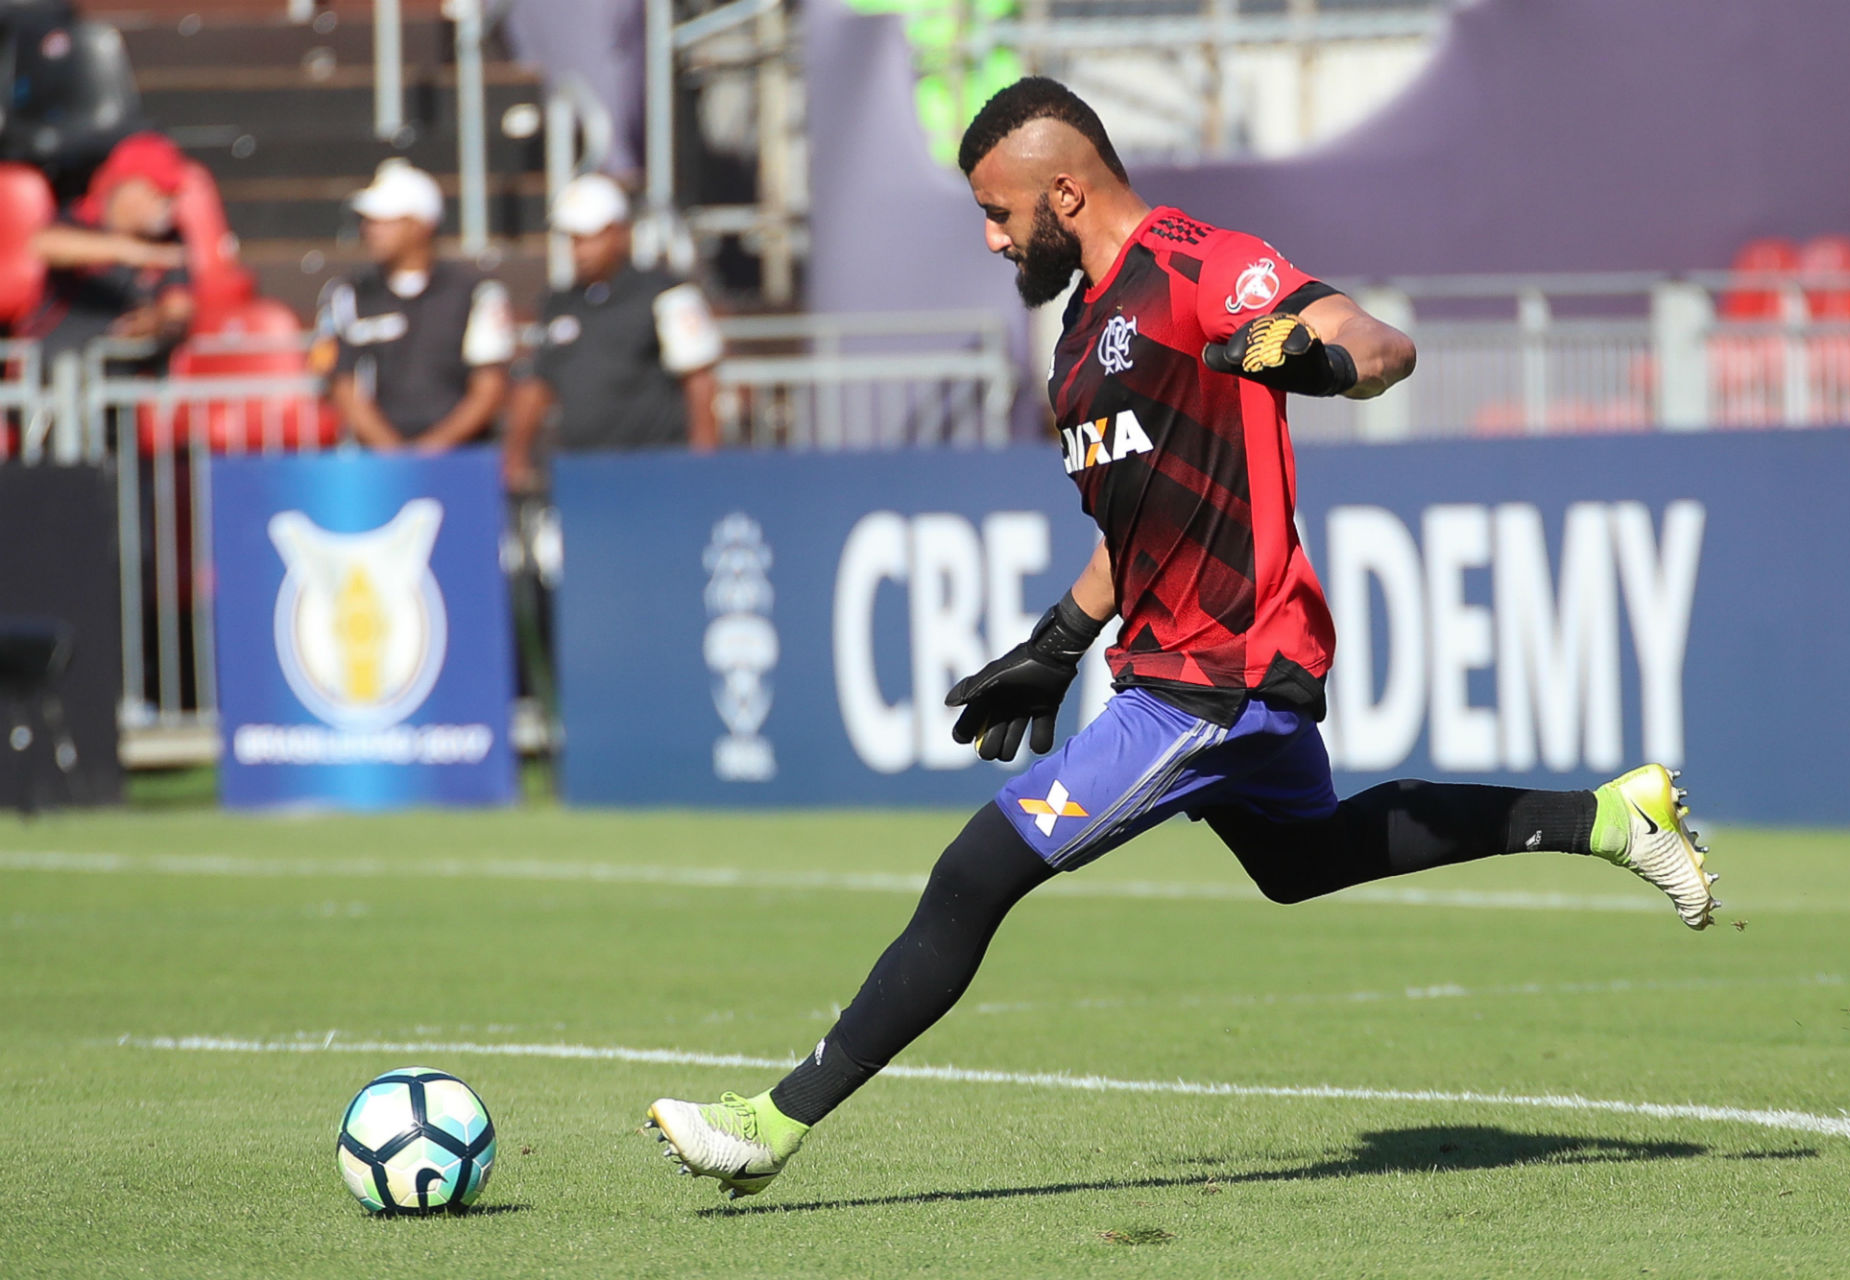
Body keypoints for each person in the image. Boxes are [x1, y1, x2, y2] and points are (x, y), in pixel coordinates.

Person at [645, 77, 1720, 1200]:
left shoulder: (1195, 265)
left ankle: (768, 1122)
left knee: (975, 870)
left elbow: (1380, 343)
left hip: (1218, 675)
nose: (990, 235)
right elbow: (1136, 526)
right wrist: (1059, 639)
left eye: (999, 211)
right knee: (1303, 862)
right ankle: (1609, 814)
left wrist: (1313, 359)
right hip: (1179, 661)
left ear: (1064, 191)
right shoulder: (1075, 341)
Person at [501, 175, 722, 493]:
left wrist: (703, 464)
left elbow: (700, 382)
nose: (581, 250)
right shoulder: (559, 302)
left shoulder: (665, 294)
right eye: (574, 239)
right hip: (582, 472)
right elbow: (538, 383)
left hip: (654, 469)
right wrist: (516, 453)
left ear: (620, 234)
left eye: (591, 237)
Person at [315, 159, 514, 452]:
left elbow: (490, 385)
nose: (371, 229)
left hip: (461, 462)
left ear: (420, 225)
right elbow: (339, 382)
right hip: (374, 466)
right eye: (368, 221)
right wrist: (393, 452)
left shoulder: (476, 293)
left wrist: (433, 448)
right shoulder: (346, 294)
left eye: (385, 220)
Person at [19, 130, 193, 358]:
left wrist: (155, 323)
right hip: (59, 365)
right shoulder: (80, 219)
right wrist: (131, 251)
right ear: (125, 186)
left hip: (126, 372)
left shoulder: (170, 240)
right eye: (157, 192)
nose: (166, 204)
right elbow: (43, 245)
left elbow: (178, 307)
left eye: (171, 195)